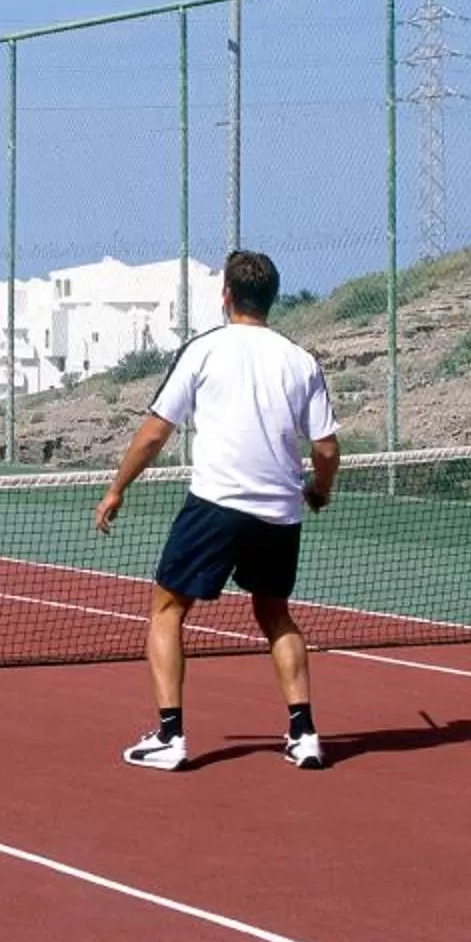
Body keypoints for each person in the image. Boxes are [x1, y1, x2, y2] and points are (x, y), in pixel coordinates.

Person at [92, 250, 339, 771]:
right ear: (272, 298)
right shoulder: (301, 360)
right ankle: (304, 733)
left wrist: (117, 488)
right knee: (275, 614)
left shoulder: (202, 351)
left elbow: (157, 430)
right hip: (280, 510)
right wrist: (320, 489)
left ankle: (170, 737)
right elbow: (327, 449)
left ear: (226, 296)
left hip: (217, 504)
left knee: (166, 610)